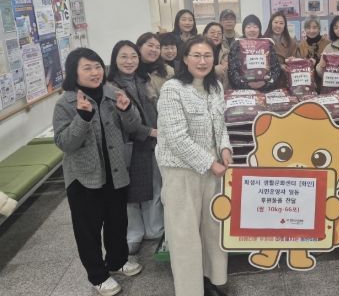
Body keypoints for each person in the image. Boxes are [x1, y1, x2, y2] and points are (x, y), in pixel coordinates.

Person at [53, 48, 143, 296]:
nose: (95, 73)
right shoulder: (66, 103)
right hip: (83, 177)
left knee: (117, 221)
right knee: (88, 229)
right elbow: (64, 143)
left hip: (115, 170)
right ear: (74, 72)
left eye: (97, 67)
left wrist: (127, 110)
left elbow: (133, 127)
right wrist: (82, 118)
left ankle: (117, 261)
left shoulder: (113, 94)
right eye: (87, 68)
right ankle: (98, 275)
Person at [156, 36, 232, 296]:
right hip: (182, 171)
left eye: (207, 55)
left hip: (213, 170)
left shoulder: (215, 87)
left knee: (213, 227)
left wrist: (225, 148)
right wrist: (210, 163)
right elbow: (176, 138)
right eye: (196, 56)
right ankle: (191, 289)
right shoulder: (172, 89)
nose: (202, 61)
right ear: (185, 59)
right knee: (185, 233)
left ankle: (211, 279)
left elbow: (221, 125)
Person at [107, 41, 163, 255]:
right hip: (128, 145)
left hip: (151, 143)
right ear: (115, 60)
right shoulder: (110, 87)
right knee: (130, 193)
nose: (129, 61)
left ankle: (154, 229)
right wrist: (149, 132)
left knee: (154, 186)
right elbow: (123, 122)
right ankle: (134, 234)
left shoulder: (144, 80)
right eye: (123, 57)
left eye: (133, 56)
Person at [227, 14, 281, 92]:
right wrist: (246, 84)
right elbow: (232, 70)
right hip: (243, 90)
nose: (252, 30)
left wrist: (266, 83)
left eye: (255, 27)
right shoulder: (236, 45)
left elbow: (276, 68)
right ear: (244, 30)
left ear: (259, 29)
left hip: (266, 90)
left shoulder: (267, 44)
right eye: (248, 27)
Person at [136, 32, 175, 106]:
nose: (154, 50)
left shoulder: (168, 70)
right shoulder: (132, 70)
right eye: (150, 45)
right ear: (139, 47)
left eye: (157, 47)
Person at [203, 22, 229, 89]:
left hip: (222, 90)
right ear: (205, 34)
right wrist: (213, 70)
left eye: (219, 33)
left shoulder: (226, 52)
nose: (216, 35)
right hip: (203, 88)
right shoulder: (199, 51)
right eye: (212, 32)